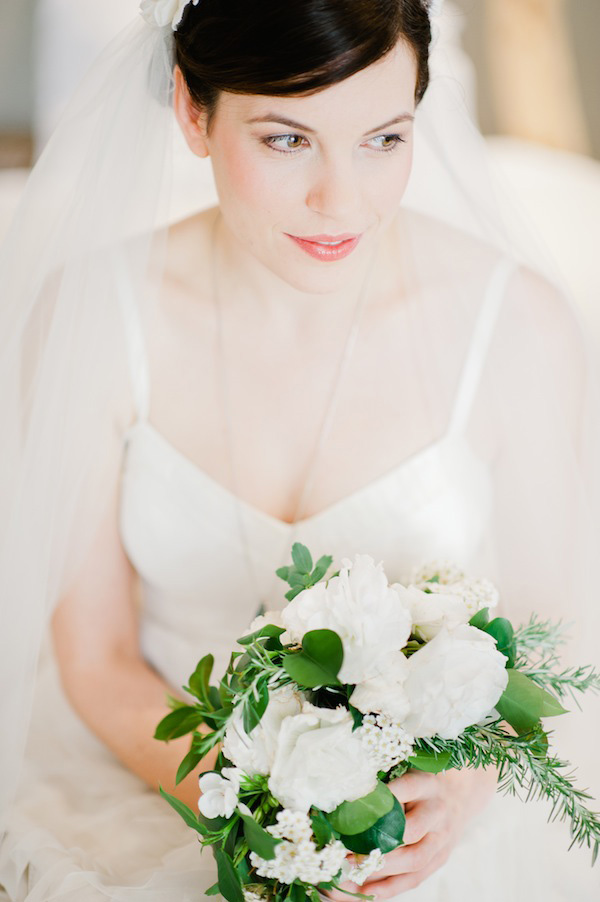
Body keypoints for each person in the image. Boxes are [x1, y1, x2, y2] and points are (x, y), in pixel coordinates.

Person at [0, 1, 599, 900]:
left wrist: (461, 787)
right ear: (192, 113)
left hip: (439, 802)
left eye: (384, 138)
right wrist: (255, 800)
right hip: (161, 765)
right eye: (287, 140)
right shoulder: (90, 317)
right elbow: (95, 656)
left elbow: (559, 624)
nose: (341, 199)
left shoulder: (518, 323)